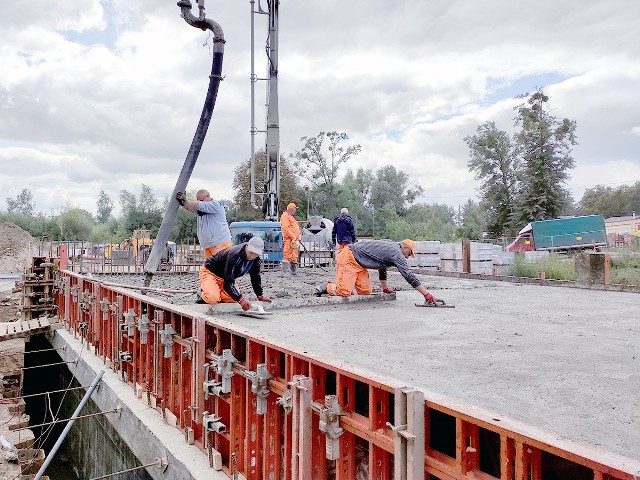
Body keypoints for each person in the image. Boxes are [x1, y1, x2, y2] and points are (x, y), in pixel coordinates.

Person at [314, 239, 438, 303]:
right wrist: (427, 294)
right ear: (404, 247)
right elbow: (408, 275)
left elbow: (382, 266)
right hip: (349, 258)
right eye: (409, 253)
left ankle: (346, 282)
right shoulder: (396, 253)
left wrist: (385, 288)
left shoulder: (391, 248)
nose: (408, 256)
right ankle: (326, 287)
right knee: (345, 291)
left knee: (365, 291)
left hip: (360, 264)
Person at [199, 236, 272, 310]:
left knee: (234, 299)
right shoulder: (234, 255)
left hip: (225, 276)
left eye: (255, 254)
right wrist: (241, 300)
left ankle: (213, 290)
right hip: (210, 272)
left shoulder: (256, 260)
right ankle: (203, 293)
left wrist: (260, 295)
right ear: (247, 246)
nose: (251, 256)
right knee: (213, 299)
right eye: (251, 252)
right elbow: (228, 282)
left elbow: (255, 277)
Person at [176, 189, 232, 258]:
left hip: (220, 244)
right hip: (209, 246)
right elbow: (191, 207)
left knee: (220, 267)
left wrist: (186, 202)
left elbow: (199, 205)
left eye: (201, 200)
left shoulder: (215, 204)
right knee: (208, 268)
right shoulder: (202, 209)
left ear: (208, 196)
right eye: (198, 200)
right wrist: (183, 203)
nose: (199, 202)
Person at [280, 202, 301, 275]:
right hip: (290, 239)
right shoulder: (285, 216)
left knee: (294, 256)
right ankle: (285, 272)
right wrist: (293, 237)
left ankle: (293, 271)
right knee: (287, 255)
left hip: (294, 240)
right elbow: (286, 228)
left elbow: (293, 228)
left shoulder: (290, 216)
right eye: (295, 209)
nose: (295, 210)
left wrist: (297, 237)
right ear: (291, 209)